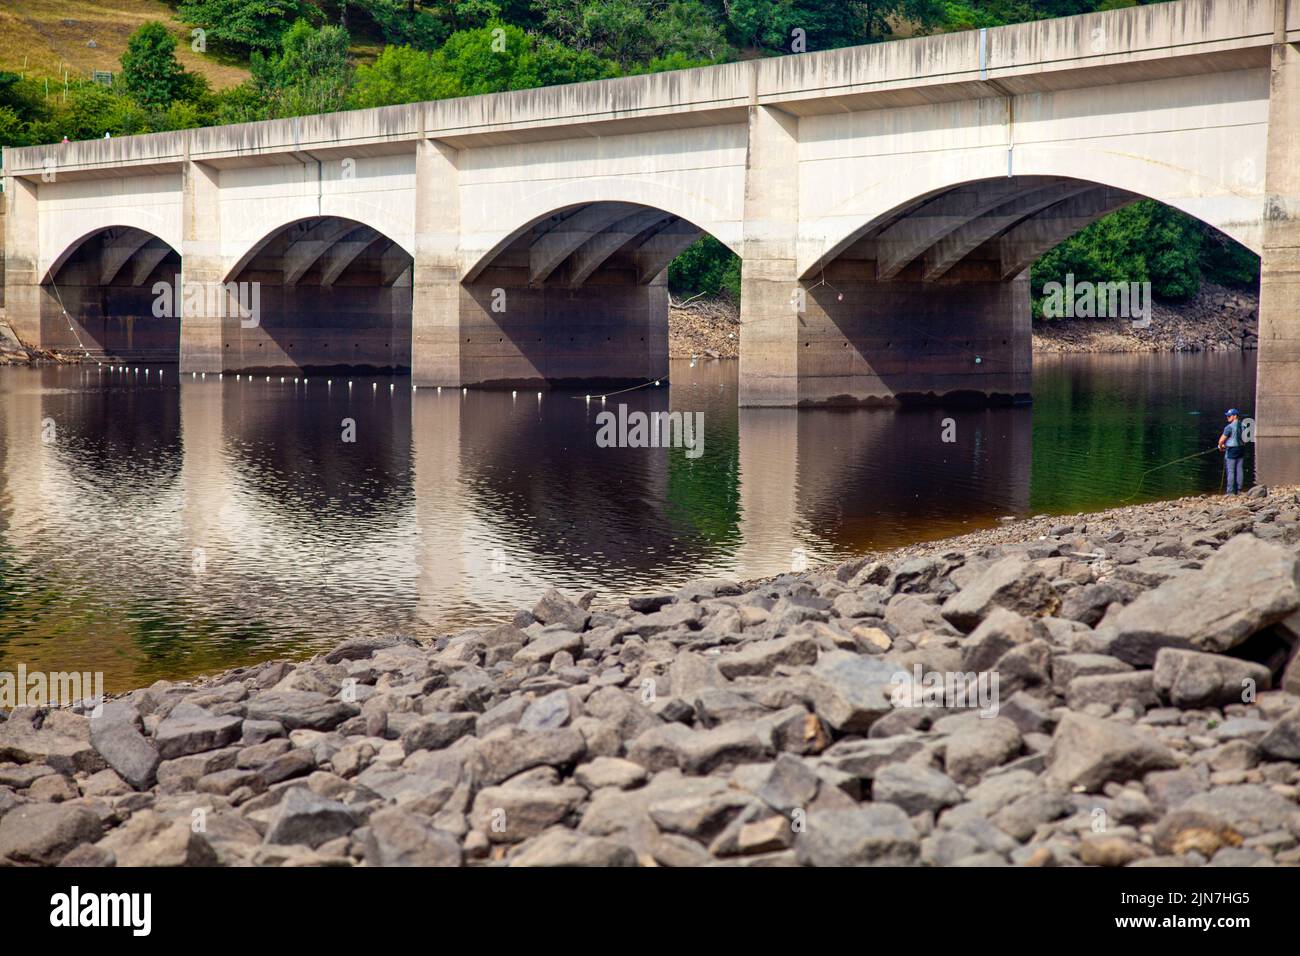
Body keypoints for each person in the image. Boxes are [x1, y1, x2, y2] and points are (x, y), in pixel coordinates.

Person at [1218, 408, 1246, 494]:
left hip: (1231, 450)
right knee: (1239, 469)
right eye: (1227, 416)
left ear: (1235, 416)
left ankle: (1230, 492)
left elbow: (1221, 440)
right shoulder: (1243, 425)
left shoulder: (1228, 427)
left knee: (1231, 471)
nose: (1227, 417)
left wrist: (1220, 446)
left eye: (1229, 416)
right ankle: (1239, 489)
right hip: (1241, 449)